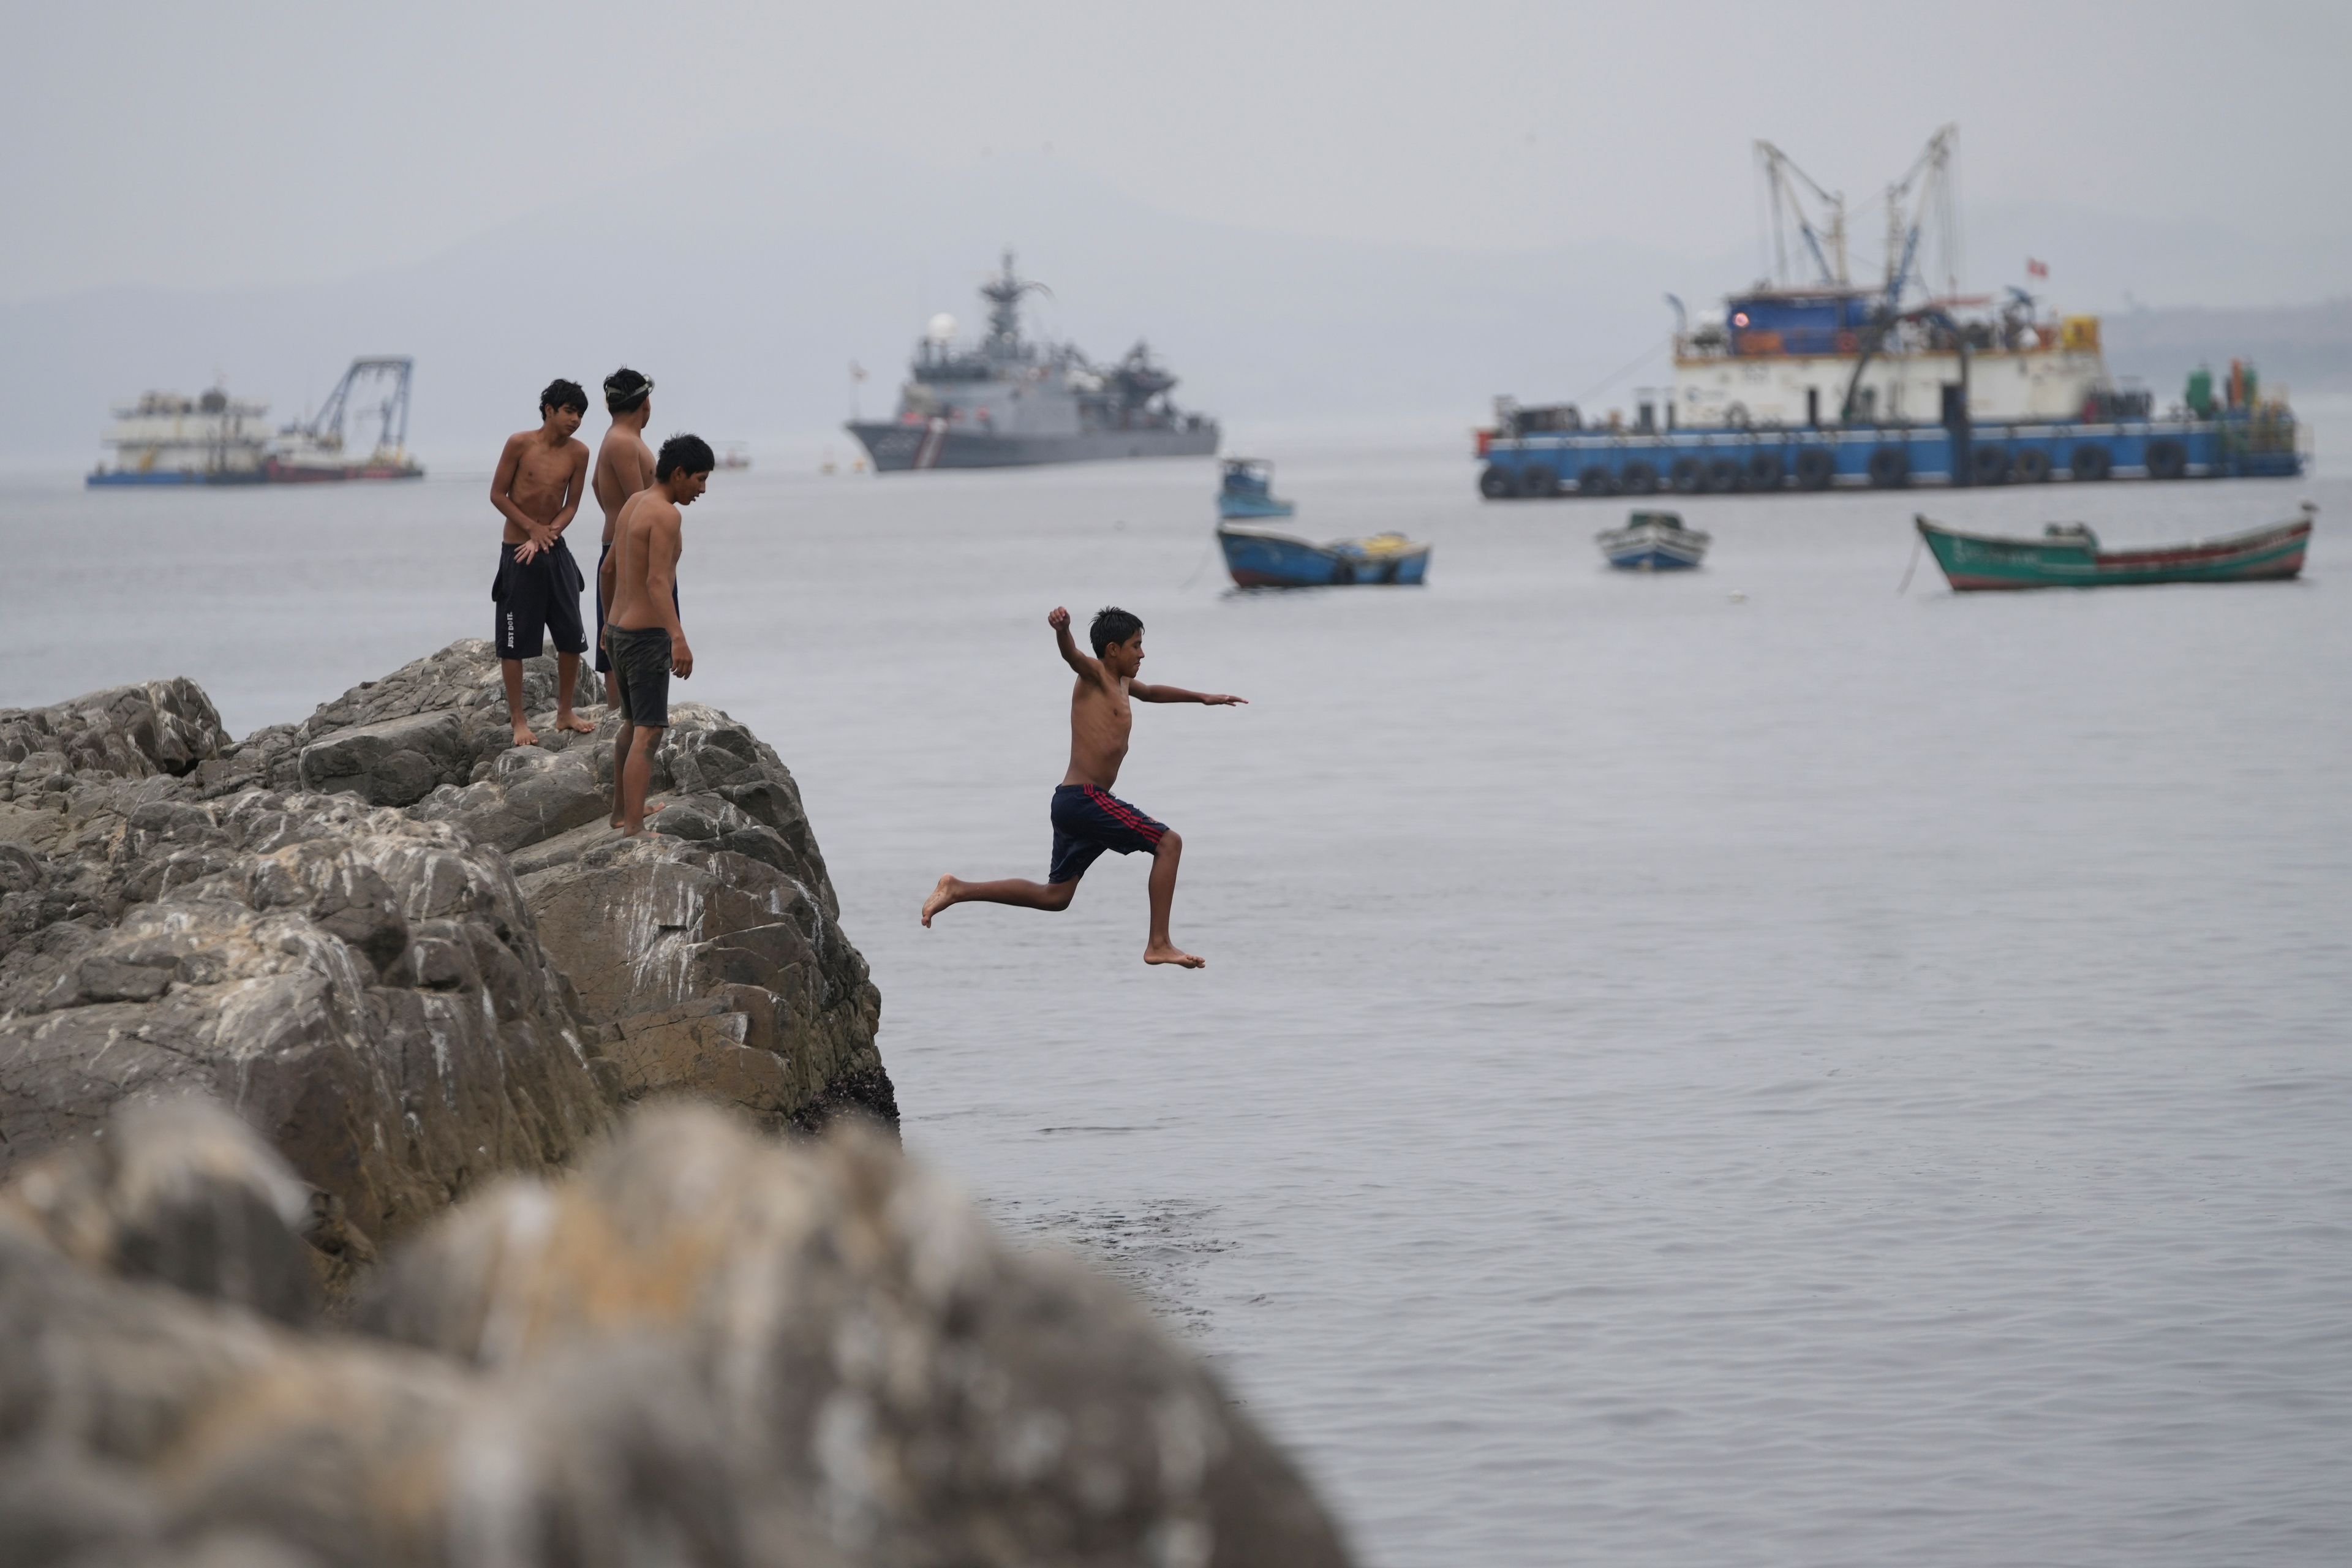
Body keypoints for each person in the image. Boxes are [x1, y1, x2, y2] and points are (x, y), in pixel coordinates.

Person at [920, 606, 1245, 968]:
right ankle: (1159, 943)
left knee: (1056, 897)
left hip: (1076, 803)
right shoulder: (1094, 675)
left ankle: (958, 889)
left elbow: (1152, 692)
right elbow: (1071, 655)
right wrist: (1063, 630)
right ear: (1112, 650)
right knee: (1169, 843)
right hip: (1085, 799)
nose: (1142, 654)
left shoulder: (1123, 684)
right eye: (1136, 646)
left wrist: (1202, 697)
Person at [603, 434, 714, 835]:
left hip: (618, 631)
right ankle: (634, 827)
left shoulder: (634, 504)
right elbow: (656, 583)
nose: (702, 490)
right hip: (645, 638)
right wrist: (678, 638)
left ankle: (621, 813)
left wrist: (605, 625)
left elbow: (608, 570)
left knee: (632, 724)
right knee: (648, 732)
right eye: (700, 480)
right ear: (679, 473)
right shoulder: (667, 515)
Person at [489, 379, 594, 746]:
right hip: (519, 551)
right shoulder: (520, 443)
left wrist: (549, 533)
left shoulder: (580, 453)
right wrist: (532, 529)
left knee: (571, 635)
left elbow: (572, 505)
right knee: (514, 640)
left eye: (580, 414)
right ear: (549, 409)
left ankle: (565, 712)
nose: (576, 420)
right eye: (569, 411)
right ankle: (519, 721)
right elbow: (497, 494)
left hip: (554, 548)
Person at [590, 368, 656, 675]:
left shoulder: (618, 438)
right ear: (646, 404)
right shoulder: (624, 442)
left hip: (620, 545)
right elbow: (639, 503)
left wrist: (611, 517)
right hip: (626, 550)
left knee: (628, 636)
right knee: (623, 638)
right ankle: (622, 715)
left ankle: (627, 714)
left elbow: (595, 485)